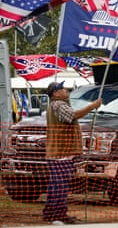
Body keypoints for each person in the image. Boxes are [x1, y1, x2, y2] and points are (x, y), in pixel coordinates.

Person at [42, 81, 102, 224]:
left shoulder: (59, 104)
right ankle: (57, 215)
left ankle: (51, 213)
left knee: (56, 185)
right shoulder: (58, 105)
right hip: (60, 154)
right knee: (60, 186)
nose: (66, 89)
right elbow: (73, 116)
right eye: (62, 88)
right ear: (56, 93)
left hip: (60, 153)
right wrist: (92, 106)